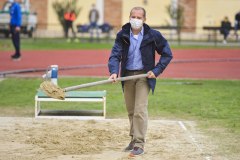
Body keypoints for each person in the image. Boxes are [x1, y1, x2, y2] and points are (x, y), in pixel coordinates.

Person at [108, 7, 173, 157]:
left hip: (144, 76)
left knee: (140, 110)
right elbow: (115, 55)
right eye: (133, 16)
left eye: (139, 17)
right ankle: (133, 140)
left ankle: (139, 144)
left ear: (144, 20)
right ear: (129, 17)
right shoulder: (123, 34)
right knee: (131, 111)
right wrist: (113, 71)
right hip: (127, 76)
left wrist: (156, 71)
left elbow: (167, 54)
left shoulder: (153, 35)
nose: (136, 20)